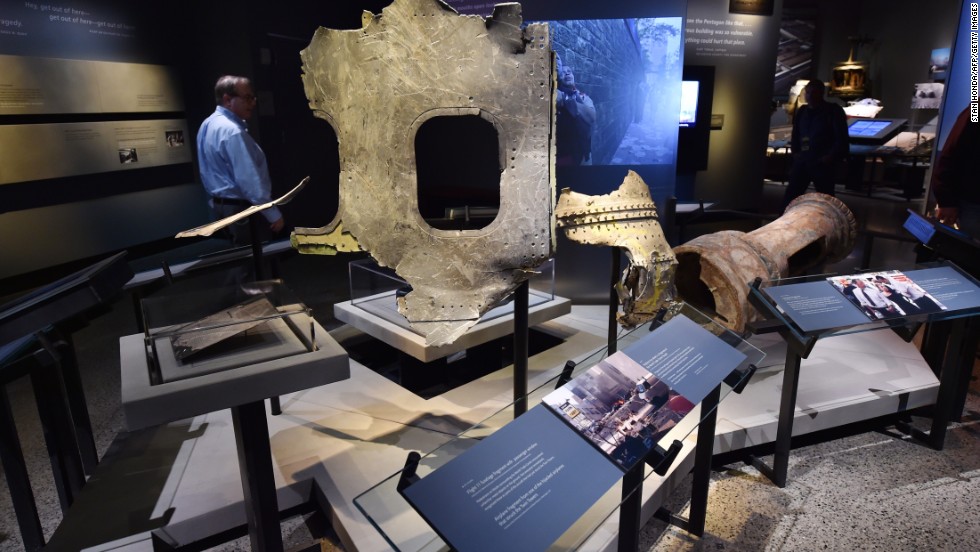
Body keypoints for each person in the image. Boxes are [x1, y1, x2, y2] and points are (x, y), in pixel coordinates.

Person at [197, 75, 284, 248]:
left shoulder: (207, 125)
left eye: (253, 97)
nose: (253, 103)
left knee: (241, 263)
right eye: (247, 98)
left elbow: (207, 172)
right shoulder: (232, 132)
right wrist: (273, 214)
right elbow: (249, 181)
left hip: (222, 206)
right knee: (252, 266)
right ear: (228, 100)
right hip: (241, 210)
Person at [783, 79, 849, 208]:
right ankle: (782, 219)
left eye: (814, 93)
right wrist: (796, 153)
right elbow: (796, 134)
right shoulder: (802, 111)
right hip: (804, 160)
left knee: (826, 199)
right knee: (791, 195)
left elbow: (840, 137)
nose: (810, 96)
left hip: (822, 162)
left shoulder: (833, 111)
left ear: (821, 93)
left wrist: (830, 157)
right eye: (808, 93)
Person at [931, 106, 980, 237]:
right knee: (971, 253)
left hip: (972, 203)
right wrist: (946, 200)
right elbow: (951, 154)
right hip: (973, 204)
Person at [555, 55, 596, 166]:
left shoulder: (583, 97)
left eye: (570, 71)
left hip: (584, 155)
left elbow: (591, 117)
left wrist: (565, 99)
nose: (567, 73)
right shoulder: (555, 95)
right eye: (564, 72)